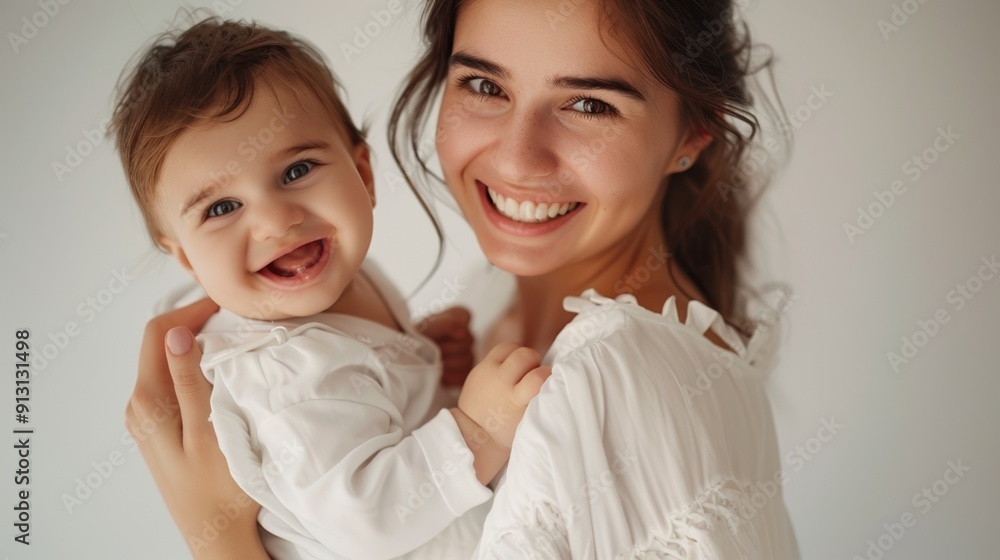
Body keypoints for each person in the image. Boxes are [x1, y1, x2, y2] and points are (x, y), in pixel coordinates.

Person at [126, 0, 801, 558]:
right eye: (485, 85)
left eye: (590, 104)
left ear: (690, 135)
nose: (516, 157)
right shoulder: (488, 304)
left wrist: (218, 541)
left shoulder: (610, 378)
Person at [112, 18, 550, 560]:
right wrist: (476, 432)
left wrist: (418, 354)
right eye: (222, 208)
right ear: (184, 257)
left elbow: (357, 383)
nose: (276, 221)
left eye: (297, 169)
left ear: (363, 174)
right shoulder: (280, 372)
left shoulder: (347, 278)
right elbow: (367, 519)